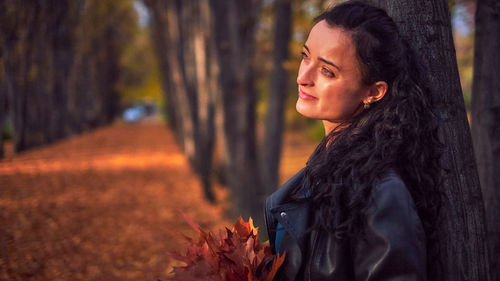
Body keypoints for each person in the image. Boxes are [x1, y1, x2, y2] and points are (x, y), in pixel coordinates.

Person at [264, 1, 443, 280]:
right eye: (305, 56)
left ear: (373, 91)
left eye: (327, 71)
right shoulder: (322, 172)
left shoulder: (381, 192)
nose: (303, 77)